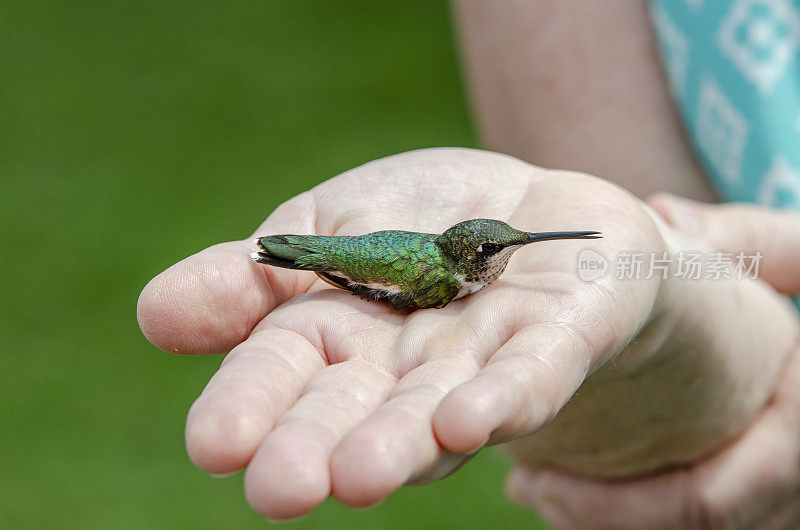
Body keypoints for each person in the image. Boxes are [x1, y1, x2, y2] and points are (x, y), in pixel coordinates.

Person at [136, 1, 800, 527]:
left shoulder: (464, 261)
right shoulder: (442, 279)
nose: (513, 252)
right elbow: (390, 287)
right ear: (472, 262)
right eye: (498, 250)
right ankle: (289, 255)